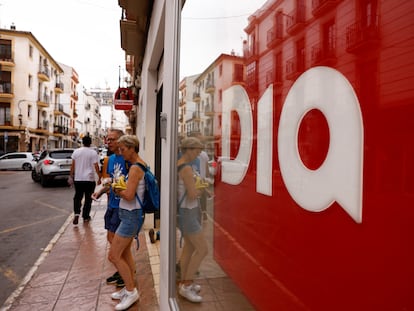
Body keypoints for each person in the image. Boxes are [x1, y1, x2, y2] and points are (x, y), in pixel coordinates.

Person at [108, 135, 145, 310]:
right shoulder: (136, 166)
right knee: (125, 253)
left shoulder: (135, 169)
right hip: (130, 214)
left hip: (131, 216)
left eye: (123, 149)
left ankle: (131, 292)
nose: (120, 152)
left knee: (114, 255)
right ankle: (129, 287)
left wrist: (116, 188)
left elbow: (129, 195)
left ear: (132, 148)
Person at [93, 129, 128, 288]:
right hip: (112, 204)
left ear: (122, 140)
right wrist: (101, 191)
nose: (109, 142)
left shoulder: (127, 159)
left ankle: (125, 272)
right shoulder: (110, 160)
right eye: (108, 139)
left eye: (112, 139)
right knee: (111, 239)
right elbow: (108, 181)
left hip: (123, 206)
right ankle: (123, 270)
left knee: (118, 243)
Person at [177, 137, 209, 303]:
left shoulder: (180, 165)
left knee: (189, 249)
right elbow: (192, 194)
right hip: (188, 212)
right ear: (188, 149)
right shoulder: (186, 168)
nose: (198, 155)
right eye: (197, 151)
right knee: (203, 249)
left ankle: (184, 281)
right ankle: (187, 285)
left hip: (185, 212)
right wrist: (201, 188)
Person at [70, 135, 101, 225]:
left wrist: (71, 176)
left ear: (82, 142)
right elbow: (96, 166)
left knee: (77, 197)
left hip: (78, 179)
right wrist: (99, 177)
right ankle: (86, 216)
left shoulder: (76, 152)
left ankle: (76, 213)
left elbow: (73, 165)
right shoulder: (93, 153)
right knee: (88, 198)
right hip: (89, 179)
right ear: (90, 142)